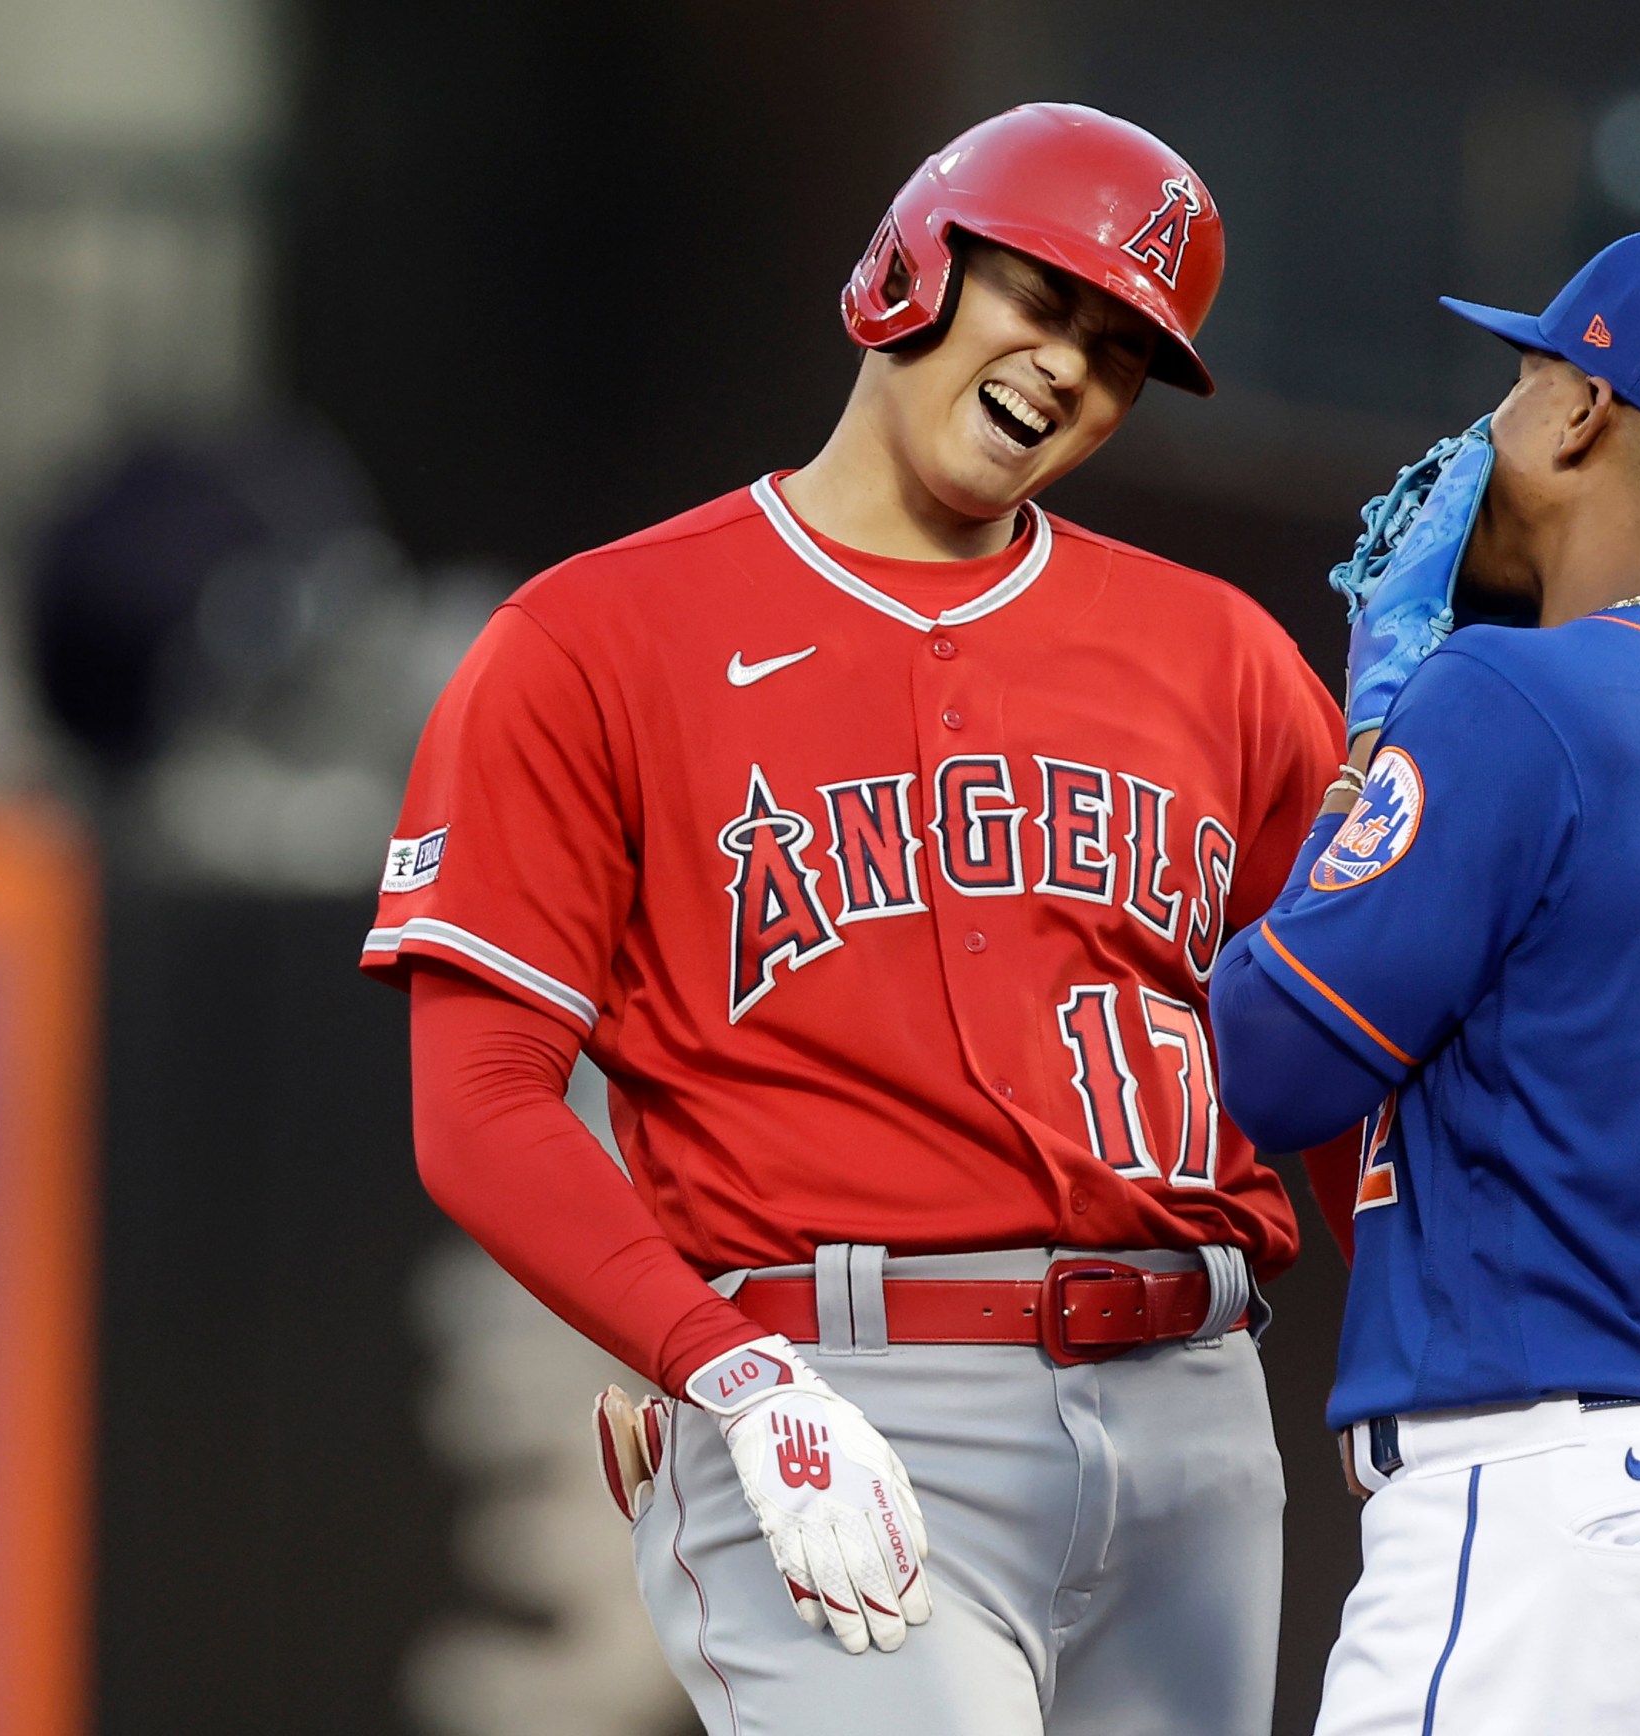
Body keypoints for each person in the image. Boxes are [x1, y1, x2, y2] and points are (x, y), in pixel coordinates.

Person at [361, 103, 1350, 1736]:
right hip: (837, 1399)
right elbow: (477, 1103)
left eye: (1122, 350)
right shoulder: (597, 637)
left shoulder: (1224, 658)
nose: (1069, 370)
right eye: (1044, 300)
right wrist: (711, 1360)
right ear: (911, 267)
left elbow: (1349, 1063)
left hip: (1195, 1418)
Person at [1213, 232, 1640, 1736]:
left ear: (1584, 414)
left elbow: (1266, 1062)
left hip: (1561, 1541)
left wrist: (1374, 735)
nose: (1486, 429)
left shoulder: (1512, 694)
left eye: (1520, 379)